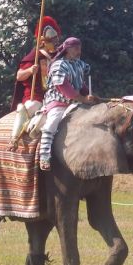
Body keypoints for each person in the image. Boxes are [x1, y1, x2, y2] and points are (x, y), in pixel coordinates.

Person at [39, 37, 96, 170]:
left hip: (76, 102)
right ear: (67, 49)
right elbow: (64, 88)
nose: (79, 51)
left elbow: (80, 83)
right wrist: (83, 99)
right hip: (59, 102)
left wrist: (89, 95)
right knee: (50, 125)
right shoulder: (59, 65)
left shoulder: (78, 64)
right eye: (76, 48)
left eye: (80, 48)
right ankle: (44, 156)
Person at [11, 16, 62, 112]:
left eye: (56, 40)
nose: (55, 44)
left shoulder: (60, 55)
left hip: (56, 96)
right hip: (36, 97)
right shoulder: (35, 56)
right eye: (52, 41)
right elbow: (19, 76)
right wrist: (30, 70)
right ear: (43, 41)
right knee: (31, 108)